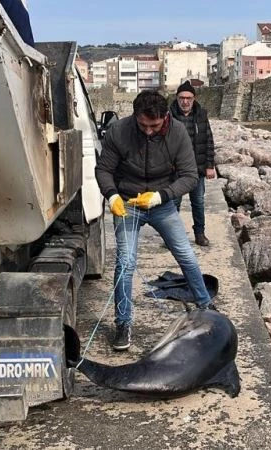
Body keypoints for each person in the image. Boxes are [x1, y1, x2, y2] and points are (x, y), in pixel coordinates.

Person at [95, 90, 215, 351]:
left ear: (165, 118)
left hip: (161, 203)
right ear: (135, 116)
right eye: (143, 125)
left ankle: (205, 305)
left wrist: (161, 196)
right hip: (127, 202)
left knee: (186, 254)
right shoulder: (119, 131)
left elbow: (190, 176)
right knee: (125, 264)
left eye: (155, 125)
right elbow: (104, 169)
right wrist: (112, 195)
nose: (149, 131)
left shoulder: (178, 133)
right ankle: (123, 324)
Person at [170, 81, 216, 246]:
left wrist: (210, 166)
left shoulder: (201, 114)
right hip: (175, 170)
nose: (185, 101)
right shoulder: (169, 115)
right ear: (177, 98)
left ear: (194, 98)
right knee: (174, 204)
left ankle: (200, 233)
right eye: (182, 98)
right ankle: (172, 236)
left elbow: (209, 140)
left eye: (188, 98)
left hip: (197, 168)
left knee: (198, 202)